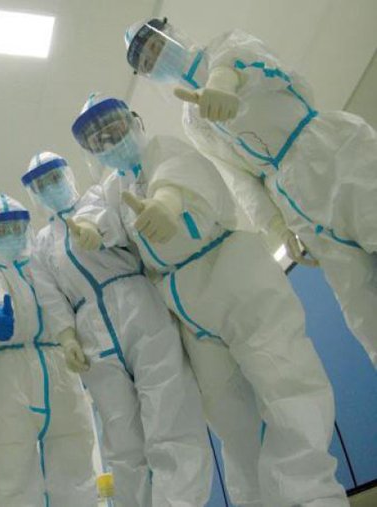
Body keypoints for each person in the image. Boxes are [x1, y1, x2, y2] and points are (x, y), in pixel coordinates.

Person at [71, 93, 347, 507]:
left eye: (113, 129)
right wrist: (93, 231)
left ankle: (312, 497)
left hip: (233, 276)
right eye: (97, 140)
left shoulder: (162, 148)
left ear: (134, 122)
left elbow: (177, 175)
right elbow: (102, 213)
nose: (109, 141)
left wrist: (167, 204)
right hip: (187, 307)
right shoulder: (117, 186)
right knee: (228, 418)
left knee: (285, 383)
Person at [125, 18, 377, 366]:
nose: (157, 57)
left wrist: (224, 80)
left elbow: (269, 70)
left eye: (156, 45)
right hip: (294, 199)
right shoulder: (193, 120)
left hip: (330, 151)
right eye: (149, 61)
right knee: (359, 302)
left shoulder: (226, 45)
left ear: (170, 33)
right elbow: (239, 179)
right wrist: (277, 227)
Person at [24, 151, 212, 507]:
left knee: (169, 414)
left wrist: (98, 232)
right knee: (121, 438)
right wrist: (67, 338)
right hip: (90, 331)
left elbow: (122, 224)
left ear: (68, 175)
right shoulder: (42, 244)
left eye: (53, 178)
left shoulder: (97, 196)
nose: (49, 187)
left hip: (139, 305)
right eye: (40, 185)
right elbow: (50, 298)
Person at [0, 194, 97, 507]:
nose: (10, 235)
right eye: (1, 230)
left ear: (27, 228)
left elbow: (63, 298)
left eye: (15, 227)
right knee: (8, 466)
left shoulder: (43, 262)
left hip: (58, 365)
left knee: (74, 455)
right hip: (6, 373)